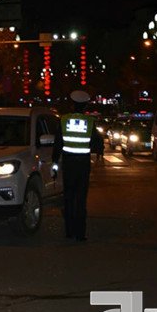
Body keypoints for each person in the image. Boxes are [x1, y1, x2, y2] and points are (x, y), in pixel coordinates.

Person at [52, 90, 96, 242]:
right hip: (83, 165)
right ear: (85, 106)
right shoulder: (90, 121)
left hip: (68, 164)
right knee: (81, 199)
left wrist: (54, 162)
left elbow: (58, 143)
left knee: (69, 197)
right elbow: (96, 143)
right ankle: (80, 234)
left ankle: (69, 231)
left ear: (72, 105)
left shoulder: (63, 120)